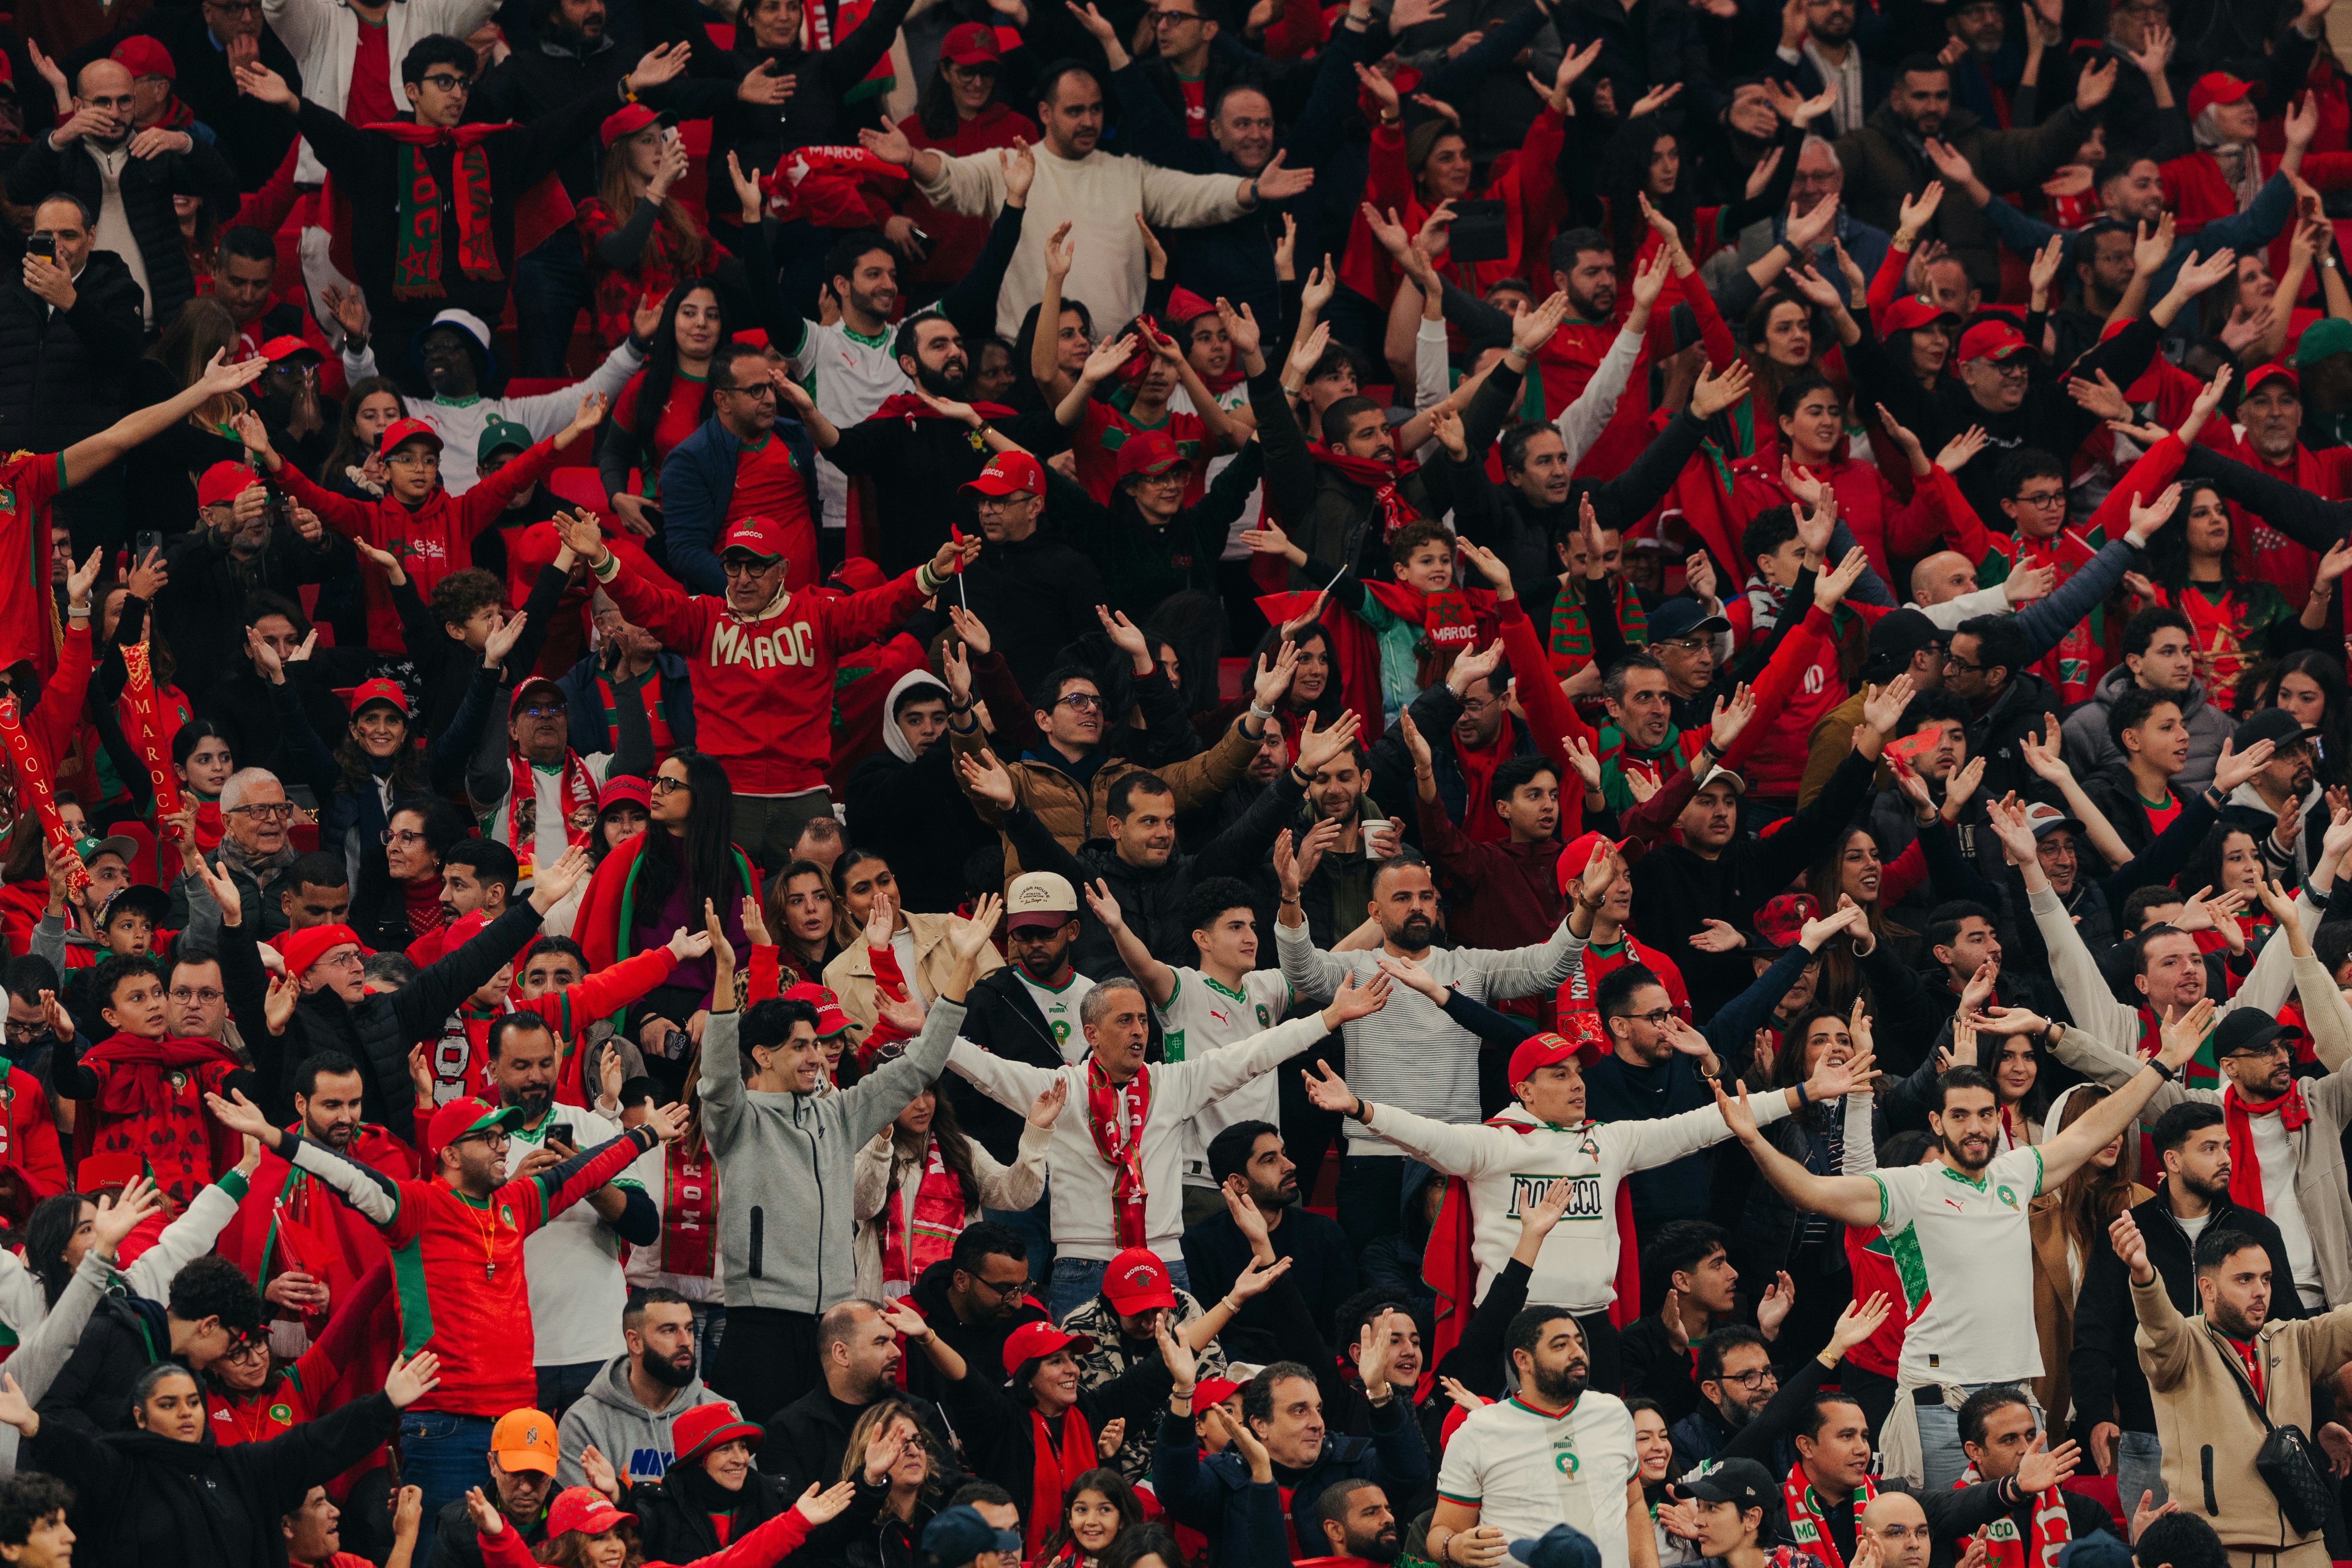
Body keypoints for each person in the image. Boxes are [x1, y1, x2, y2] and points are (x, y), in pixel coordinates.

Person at [1714, 991, 2210, 1490]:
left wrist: (2164, 1062)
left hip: (2018, 1402)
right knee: (1943, 1545)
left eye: (1985, 1114)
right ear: (1936, 1122)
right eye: (1960, 1115)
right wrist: (1754, 1138)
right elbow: (1812, 1191)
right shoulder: (1908, 1187)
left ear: (2000, 1117)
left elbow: (2092, 1129)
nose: (1975, 1127)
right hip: (1939, 1402)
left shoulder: (2018, 1171)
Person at [201, 1062, 693, 1555]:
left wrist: (648, 1134)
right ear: (452, 1152)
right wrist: (271, 1135)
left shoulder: (516, 1204)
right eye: (490, 1137)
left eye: (504, 1135)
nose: (505, 1145)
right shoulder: (416, 1208)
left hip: (517, 1421)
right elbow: (349, 1175)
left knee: (516, 1557)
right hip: (445, 1422)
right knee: (440, 1555)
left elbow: (583, 1170)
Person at [697, 890, 997, 1435]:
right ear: (763, 1055)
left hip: (832, 1324)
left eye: (817, 1044)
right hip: (758, 1322)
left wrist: (965, 966)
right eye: (799, 1046)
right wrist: (724, 974)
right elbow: (717, 1075)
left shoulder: (839, 1113)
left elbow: (921, 1061)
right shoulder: (736, 1118)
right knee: (757, 1458)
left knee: (837, 1457)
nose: (816, 1056)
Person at [944, 961, 1389, 1319]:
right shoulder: (1058, 1088)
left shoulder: (1173, 1084)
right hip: (1083, 1267)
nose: (1140, 1030)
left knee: (1175, 1387)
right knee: (1082, 1397)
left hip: (1163, 1263)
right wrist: (929, 1028)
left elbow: (1254, 1054)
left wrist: (1330, 1017)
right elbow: (985, 1072)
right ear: (1092, 1034)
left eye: (1143, 1019)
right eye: (1125, 1020)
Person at [553, 504, 980, 873]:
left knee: (818, 915)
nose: (742, 578)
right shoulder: (704, 617)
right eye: (733, 566)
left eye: (756, 566)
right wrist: (602, 558)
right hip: (724, 798)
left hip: (804, 798)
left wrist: (933, 573)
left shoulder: (818, 614)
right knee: (719, 913)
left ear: (782, 569)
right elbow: (647, 602)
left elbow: (878, 608)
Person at [0, 1350, 444, 1568]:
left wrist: (384, 1403)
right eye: (169, 1404)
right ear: (140, 1416)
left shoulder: (239, 1468)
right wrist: (31, 1422)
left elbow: (312, 1444)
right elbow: (81, 1455)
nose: (186, 1414)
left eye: (192, 1402)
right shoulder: (123, 1472)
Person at [2071, 1101, 2305, 1515]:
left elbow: (2294, 1330)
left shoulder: (2257, 1232)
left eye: (2227, 1147)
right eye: (2210, 1149)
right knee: (2155, 1553)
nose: (2226, 1160)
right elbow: (2093, 1332)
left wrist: (2321, 1420)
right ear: (2173, 1160)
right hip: (2149, 1435)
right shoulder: (2129, 1232)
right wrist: (2096, 1414)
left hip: (2244, 1432)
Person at [2114, 1209, 2352, 1568]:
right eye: (2245, 1280)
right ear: (2207, 1288)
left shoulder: (2294, 1340)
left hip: (2307, 1550)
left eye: (2267, 1279)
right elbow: (2160, 1325)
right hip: (2220, 1553)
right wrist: (2143, 1275)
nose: (2260, 1292)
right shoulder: (2182, 1345)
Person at [4, 58, 238, 332]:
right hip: (80, 327)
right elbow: (19, 191)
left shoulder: (158, 152)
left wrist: (186, 144)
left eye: (125, 101)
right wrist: (58, 139)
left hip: (161, 329)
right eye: (103, 102)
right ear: (79, 106)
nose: (115, 113)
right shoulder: (62, 152)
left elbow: (227, 199)